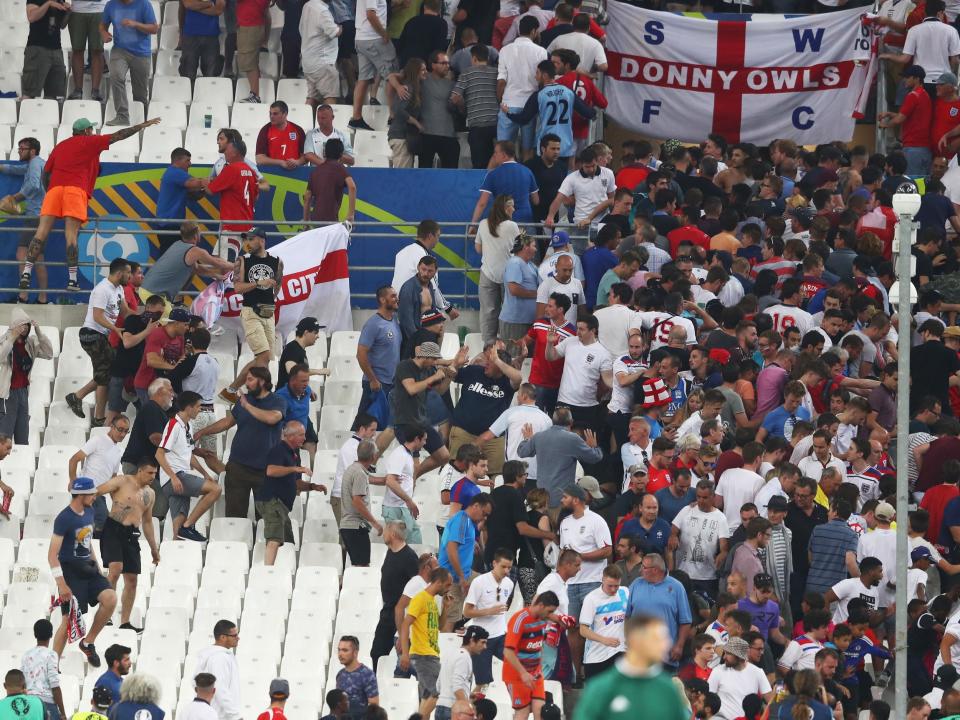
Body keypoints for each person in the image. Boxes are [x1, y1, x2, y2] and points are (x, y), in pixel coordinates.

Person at [17, 117, 157, 292]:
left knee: (41, 233)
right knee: (71, 236)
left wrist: (51, 191)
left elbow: (46, 174)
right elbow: (118, 135)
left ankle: (26, 273)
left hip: (54, 191)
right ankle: (73, 280)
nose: (93, 132)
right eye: (91, 129)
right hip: (75, 191)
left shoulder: (60, 145)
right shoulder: (89, 142)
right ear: (86, 131)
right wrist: (141, 126)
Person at [196, 367, 287, 517]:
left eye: (250, 379)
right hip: (238, 467)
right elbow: (228, 422)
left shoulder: (277, 401)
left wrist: (247, 406)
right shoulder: (244, 400)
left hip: (265, 470)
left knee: (266, 518)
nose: (246, 383)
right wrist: (202, 431)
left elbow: (272, 418)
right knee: (234, 515)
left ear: (262, 381)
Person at [49, 477, 118, 663]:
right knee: (67, 621)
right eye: (92, 493)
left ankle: (88, 642)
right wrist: (61, 584)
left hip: (88, 567)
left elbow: (87, 543)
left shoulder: (90, 510)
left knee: (111, 598)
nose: (95, 496)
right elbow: (52, 555)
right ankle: (52, 663)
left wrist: (97, 566)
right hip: (71, 572)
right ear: (81, 494)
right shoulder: (64, 518)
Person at [573, 614, 689, 720]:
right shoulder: (601, 688)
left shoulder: (667, 688)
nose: (667, 644)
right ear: (635, 640)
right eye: (657, 639)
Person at [93, 460, 161, 631]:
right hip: (113, 529)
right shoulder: (122, 481)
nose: (153, 476)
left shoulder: (150, 494)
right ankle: (106, 613)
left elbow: (147, 522)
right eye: (150, 473)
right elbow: (96, 492)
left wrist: (154, 549)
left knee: (132, 580)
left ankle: (125, 621)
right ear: (140, 470)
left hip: (131, 534)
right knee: (115, 569)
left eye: (155, 473)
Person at [65, 258, 133, 425]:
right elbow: (97, 316)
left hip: (100, 335)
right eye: (128, 272)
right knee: (108, 372)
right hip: (91, 334)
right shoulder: (102, 289)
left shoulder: (119, 289)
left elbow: (126, 312)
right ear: (119, 273)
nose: (130, 276)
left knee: (106, 373)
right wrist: (115, 329)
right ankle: (96, 414)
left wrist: (145, 319)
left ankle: (81, 400)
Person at [220, 228, 283, 400]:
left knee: (265, 358)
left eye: (251, 239)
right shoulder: (242, 260)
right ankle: (260, 395)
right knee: (263, 356)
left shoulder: (276, 261)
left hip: (268, 312)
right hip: (250, 311)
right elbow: (238, 288)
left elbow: (277, 285)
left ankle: (232, 390)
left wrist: (270, 299)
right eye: (247, 239)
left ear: (262, 240)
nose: (248, 243)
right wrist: (258, 283)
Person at [558, 483, 613, 678]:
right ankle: (576, 673)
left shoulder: (596, 521)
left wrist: (580, 556)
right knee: (572, 629)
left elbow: (607, 550)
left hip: (591, 581)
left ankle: (594, 671)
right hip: (570, 583)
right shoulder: (564, 522)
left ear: (575, 499)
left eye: (564, 496)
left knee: (591, 626)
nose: (562, 500)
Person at [155, 391, 222, 541]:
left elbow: (189, 454)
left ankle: (179, 537)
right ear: (189, 407)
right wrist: (173, 478)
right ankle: (189, 526)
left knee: (177, 532)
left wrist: (204, 473)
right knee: (215, 489)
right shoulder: (173, 424)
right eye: (198, 406)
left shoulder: (188, 426)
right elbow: (159, 454)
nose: (200, 409)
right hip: (175, 477)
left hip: (178, 478)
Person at [259, 420, 326, 565]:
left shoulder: (293, 454)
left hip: (281, 506)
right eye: (301, 435)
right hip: (272, 501)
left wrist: (313, 486)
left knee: (288, 542)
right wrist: (295, 469)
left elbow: (297, 483)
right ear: (290, 436)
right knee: (274, 539)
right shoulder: (279, 450)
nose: (304, 438)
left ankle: (282, 570)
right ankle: (266, 573)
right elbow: (271, 470)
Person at [518, 406, 602, 520]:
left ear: (553, 421)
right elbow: (595, 458)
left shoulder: (539, 437)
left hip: (541, 500)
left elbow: (522, 452)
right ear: (571, 422)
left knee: (544, 534)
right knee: (559, 534)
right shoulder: (573, 438)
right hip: (561, 500)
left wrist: (528, 439)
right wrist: (594, 446)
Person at [399, 567, 454, 718]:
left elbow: (441, 626)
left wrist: (446, 607)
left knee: (426, 697)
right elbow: (405, 624)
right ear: (438, 582)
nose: (449, 589)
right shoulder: (420, 598)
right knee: (439, 692)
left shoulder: (432, 600)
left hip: (431, 653)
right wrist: (405, 653)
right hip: (423, 655)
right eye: (448, 585)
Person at [0, 138, 49, 303]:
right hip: (41, 217)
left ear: (33, 150)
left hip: (34, 217)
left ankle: (23, 296)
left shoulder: (35, 163)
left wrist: (14, 198)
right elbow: (18, 170)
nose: (19, 151)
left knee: (21, 254)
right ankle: (42, 298)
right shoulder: (36, 164)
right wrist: (2, 167)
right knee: (38, 259)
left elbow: (34, 185)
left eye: (22, 148)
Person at [626, 553, 692, 670]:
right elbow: (625, 616)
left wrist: (679, 646)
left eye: (644, 567)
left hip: (665, 654)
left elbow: (685, 621)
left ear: (655, 570)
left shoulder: (676, 587)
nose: (641, 570)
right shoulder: (636, 584)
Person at [201, 138, 262, 264]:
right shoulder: (251, 171)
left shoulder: (231, 169)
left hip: (232, 226)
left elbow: (210, 190)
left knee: (225, 266)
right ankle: (222, 283)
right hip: (245, 224)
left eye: (227, 149)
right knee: (216, 262)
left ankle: (230, 284)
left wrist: (204, 182)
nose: (225, 152)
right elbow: (256, 197)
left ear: (235, 152)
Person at [141, 222, 235, 302]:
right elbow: (217, 263)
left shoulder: (177, 244)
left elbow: (197, 269)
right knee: (180, 322)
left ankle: (176, 302)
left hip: (145, 290)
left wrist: (217, 276)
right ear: (196, 235)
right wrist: (239, 266)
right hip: (154, 297)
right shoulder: (196, 251)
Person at [503, 591, 561, 720]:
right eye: (550, 611)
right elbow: (507, 652)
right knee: (522, 713)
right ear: (541, 605)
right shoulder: (519, 619)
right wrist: (523, 673)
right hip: (517, 676)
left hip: (536, 675)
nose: (551, 615)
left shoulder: (543, 619)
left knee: (541, 712)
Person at [440, 495, 494, 630]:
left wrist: (472, 543)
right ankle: (445, 646)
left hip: (464, 573)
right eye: (484, 513)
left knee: (490, 587)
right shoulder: (461, 521)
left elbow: (458, 542)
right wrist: (462, 578)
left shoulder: (469, 522)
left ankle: (468, 624)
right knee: (451, 617)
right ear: (475, 506)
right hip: (452, 576)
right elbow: (451, 550)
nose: (485, 518)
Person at [101, 0, 158, 126]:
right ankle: (122, 116)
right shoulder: (111, 4)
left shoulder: (144, 4)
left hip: (141, 53)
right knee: (116, 75)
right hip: (119, 50)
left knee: (140, 92)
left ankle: (142, 120)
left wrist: (135, 24)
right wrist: (104, 33)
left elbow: (154, 28)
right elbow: (102, 25)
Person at [67, 415, 128, 533]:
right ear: (111, 426)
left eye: (126, 431)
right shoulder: (98, 440)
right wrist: (73, 481)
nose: (123, 434)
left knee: (97, 529)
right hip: (87, 491)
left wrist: (117, 504)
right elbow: (74, 459)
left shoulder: (117, 452)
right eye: (120, 430)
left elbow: (113, 481)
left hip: (99, 495)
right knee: (101, 527)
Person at [496, 16, 548, 156]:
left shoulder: (505, 50)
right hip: (530, 105)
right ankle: (526, 176)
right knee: (528, 150)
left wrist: (500, 101)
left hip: (508, 104)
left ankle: (506, 176)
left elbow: (501, 81)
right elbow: (543, 80)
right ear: (533, 31)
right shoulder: (541, 51)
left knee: (504, 150)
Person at [671, 480, 730, 599]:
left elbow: (724, 547)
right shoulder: (686, 510)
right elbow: (673, 530)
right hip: (684, 574)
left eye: (705, 497)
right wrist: (673, 537)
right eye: (698, 497)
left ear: (713, 497)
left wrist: (722, 554)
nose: (701, 501)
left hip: (707, 577)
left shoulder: (720, 518)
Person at [463, 549, 514, 688]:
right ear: (494, 563)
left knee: (517, 666)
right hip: (482, 638)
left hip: (501, 635)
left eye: (509, 567)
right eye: (503, 567)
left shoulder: (509, 584)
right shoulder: (479, 582)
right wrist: (488, 611)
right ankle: (473, 708)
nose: (506, 571)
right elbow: (466, 612)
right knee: (482, 683)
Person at [0, 309, 52, 444]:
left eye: (27, 325)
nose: (24, 328)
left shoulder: (30, 342)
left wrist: (39, 333)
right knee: (5, 438)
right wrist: (12, 336)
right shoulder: (4, 341)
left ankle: (21, 462)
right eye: (21, 325)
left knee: (23, 436)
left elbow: (49, 353)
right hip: (7, 394)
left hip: (23, 392)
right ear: (14, 325)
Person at [475, 194, 522, 343]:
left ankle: (488, 346)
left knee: (488, 312)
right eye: (512, 206)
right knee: (509, 312)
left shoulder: (483, 223)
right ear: (505, 208)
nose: (514, 209)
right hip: (509, 275)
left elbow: (478, 249)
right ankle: (507, 346)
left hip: (487, 273)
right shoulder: (512, 226)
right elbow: (520, 247)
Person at [348, 0, 398, 131]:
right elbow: (370, 14)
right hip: (374, 38)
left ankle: (356, 118)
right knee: (392, 73)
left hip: (361, 38)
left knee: (363, 78)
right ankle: (394, 117)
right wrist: (384, 33)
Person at [450, 43, 500, 170]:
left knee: (479, 166)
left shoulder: (466, 73)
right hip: (496, 125)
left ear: (473, 58)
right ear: (488, 58)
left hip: (477, 126)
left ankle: (481, 188)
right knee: (496, 164)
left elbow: (455, 98)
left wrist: (463, 106)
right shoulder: (497, 73)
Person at [470, 141, 540, 228]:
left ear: (503, 155)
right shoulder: (528, 172)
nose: (494, 155)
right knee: (525, 242)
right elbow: (536, 200)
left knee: (504, 242)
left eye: (496, 152)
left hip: (502, 223)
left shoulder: (493, 174)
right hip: (524, 222)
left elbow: (482, 203)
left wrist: (473, 225)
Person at [579, 564, 629, 678]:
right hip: (596, 657)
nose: (613, 589)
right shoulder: (591, 599)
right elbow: (583, 630)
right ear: (602, 579)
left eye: (616, 586)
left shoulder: (625, 592)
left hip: (620, 652)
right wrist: (604, 640)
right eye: (609, 586)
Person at [339, 439, 384, 566]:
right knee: (362, 567)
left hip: (349, 526)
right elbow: (357, 501)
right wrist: (375, 523)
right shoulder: (360, 473)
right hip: (356, 526)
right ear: (373, 456)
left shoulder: (351, 469)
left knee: (357, 567)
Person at [436, 626, 490, 720]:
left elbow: (438, 686)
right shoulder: (464, 657)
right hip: (454, 711)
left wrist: (468, 694)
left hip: (441, 708)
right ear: (472, 640)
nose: (485, 647)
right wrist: (469, 709)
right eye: (483, 642)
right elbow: (457, 686)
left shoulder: (450, 653)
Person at [155, 150, 207, 246]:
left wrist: (205, 189)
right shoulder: (175, 173)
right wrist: (214, 181)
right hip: (169, 224)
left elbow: (196, 194)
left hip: (171, 224)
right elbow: (196, 183)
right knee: (171, 257)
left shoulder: (177, 175)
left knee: (175, 256)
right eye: (187, 160)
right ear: (178, 161)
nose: (190, 164)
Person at [194, 621, 241, 720]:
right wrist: (236, 715)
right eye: (234, 635)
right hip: (222, 716)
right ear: (223, 637)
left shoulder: (216, 655)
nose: (238, 637)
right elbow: (220, 688)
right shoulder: (219, 658)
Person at [300, 0, 342, 108]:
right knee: (330, 96)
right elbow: (334, 32)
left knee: (312, 98)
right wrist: (341, 28)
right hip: (323, 62)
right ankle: (327, 125)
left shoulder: (307, 6)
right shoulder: (322, 10)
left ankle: (304, 123)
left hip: (308, 62)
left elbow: (301, 30)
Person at [304, 139, 356, 224]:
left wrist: (306, 223)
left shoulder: (315, 171)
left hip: (315, 220)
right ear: (341, 154)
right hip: (331, 221)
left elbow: (307, 197)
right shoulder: (340, 168)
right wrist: (351, 214)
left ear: (324, 153)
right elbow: (352, 187)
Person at [22, 619, 65, 720]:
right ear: (51, 635)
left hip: (29, 703)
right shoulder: (52, 655)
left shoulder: (26, 655)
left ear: (35, 635)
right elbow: (54, 685)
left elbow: (22, 682)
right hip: (46, 704)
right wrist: (62, 712)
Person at [178, 0, 224, 81]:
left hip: (211, 35)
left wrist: (195, 7)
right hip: (190, 34)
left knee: (211, 77)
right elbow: (187, 5)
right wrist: (209, 3)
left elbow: (218, 10)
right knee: (187, 76)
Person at [336, 636, 379, 720]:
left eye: (345, 650)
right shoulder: (340, 675)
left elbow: (374, 706)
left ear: (355, 652)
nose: (340, 654)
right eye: (339, 650)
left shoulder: (367, 674)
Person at [255, 101, 307, 169]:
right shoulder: (265, 131)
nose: (271, 116)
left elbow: (305, 156)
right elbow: (259, 159)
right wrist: (281, 162)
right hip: (273, 173)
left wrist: (297, 162)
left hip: (296, 173)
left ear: (285, 114)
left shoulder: (298, 130)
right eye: (270, 113)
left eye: (275, 114)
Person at [94, 644, 131, 708]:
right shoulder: (104, 682)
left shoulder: (122, 681)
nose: (130, 663)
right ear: (116, 663)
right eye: (126, 660)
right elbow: (100, 712)